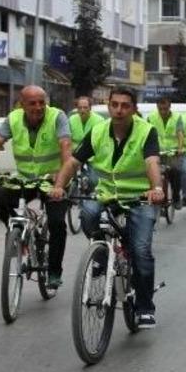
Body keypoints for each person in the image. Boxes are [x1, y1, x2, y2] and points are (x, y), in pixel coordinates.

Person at [49, 87, 164, 329]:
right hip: (106, 194)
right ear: (109, 106)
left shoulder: (146, 131)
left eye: (125, 105)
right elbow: (73, 162)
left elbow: (152, 162)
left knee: (141, 250)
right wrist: (59, 186)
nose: (119, 110)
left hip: (139, 197)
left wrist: (157, 188)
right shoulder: (99, 130)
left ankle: (145, 307)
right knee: (88, 213)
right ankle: (101, 252)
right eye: (115, 105)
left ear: (133, 109)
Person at [0, 85, 72, 289]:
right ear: (22, 105)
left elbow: (66, 146)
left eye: (42, 102)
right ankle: (19, 236)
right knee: (0, 204)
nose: (38, 107)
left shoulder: (57, 116)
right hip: (26, 179)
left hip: (53, 180)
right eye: (33, 103)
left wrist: (60, 182)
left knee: (57, 223)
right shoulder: (13, 119)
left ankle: (54, 271)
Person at [147, 97, 185, 209]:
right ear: (157, 107)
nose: (163, 111)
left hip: (172, 152)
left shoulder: (177, 117)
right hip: (156, 152)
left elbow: (180, 133)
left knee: (176, 171)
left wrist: (180, 148)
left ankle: (176, 197)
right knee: (150, 172)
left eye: (165, 108)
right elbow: (146, 134)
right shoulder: (151, 117)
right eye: (160, 109)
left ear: (169, 107)